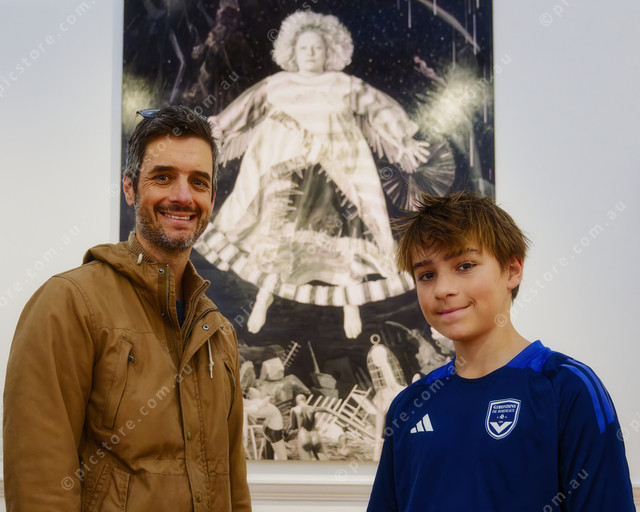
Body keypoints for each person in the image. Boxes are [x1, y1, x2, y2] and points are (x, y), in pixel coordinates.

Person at [3, 106, 252, 511]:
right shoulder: (68, 303)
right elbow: (38, 483)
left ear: (211, 199)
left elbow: (234, 489)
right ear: (130, 188)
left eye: (198, 181)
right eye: (163, 177)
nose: (182, 196)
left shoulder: (219, 333)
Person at [367, 191, 635, 511]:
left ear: (512, 270)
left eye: (465, 265)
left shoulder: (567, 388)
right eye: (427, 275)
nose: (443, 289)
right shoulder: (408, 405)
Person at [195, 11, 430, 339]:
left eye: (317, 48)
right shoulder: (277, 84)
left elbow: (378, 107)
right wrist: (219, 127)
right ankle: (264, 297)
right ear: (291, 51)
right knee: (277, 235)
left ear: (330, 52)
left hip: (337, 172)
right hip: (285, 172)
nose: (310, 53)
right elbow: (246, 107)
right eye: (303, 47)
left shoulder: (344, 84)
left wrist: (403, 139)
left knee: (346, 230)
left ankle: (350, 301)